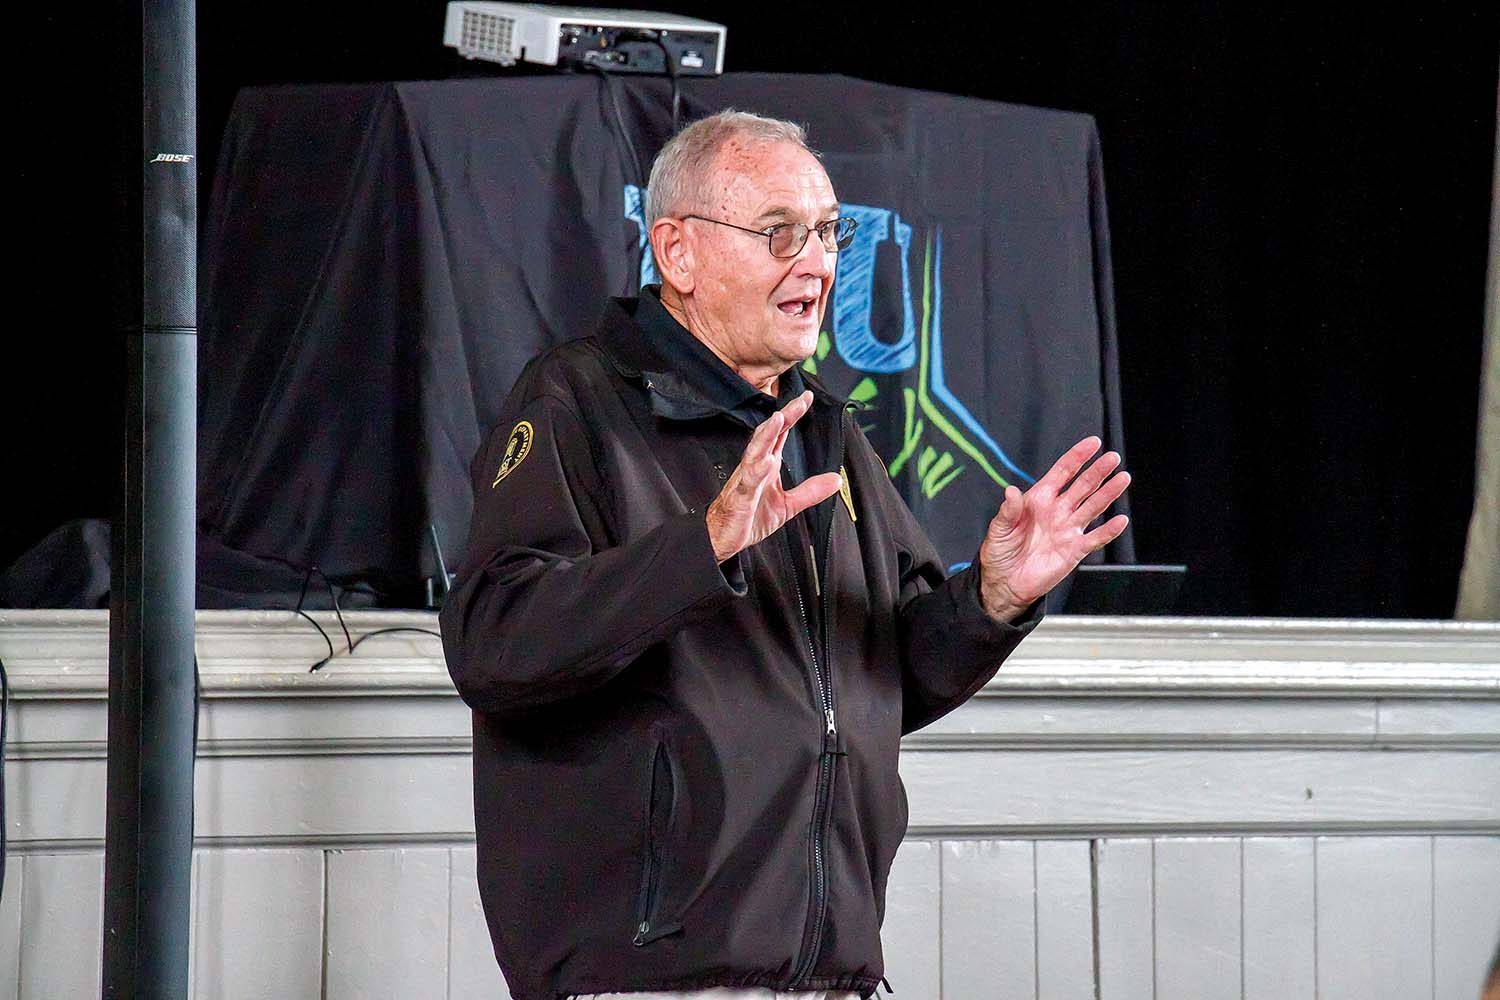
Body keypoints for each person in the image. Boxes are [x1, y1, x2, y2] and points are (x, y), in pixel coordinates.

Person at [439, 110, 1131, 1000]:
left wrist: (991, 599)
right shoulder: (578, 402)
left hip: (826, 975)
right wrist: (704, 547)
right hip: (652, 976)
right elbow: (495, 642)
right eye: (779, 234)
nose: (817, 262)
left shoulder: (825, 433)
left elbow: (887, 682)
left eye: (828, 232)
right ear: (678, 254)